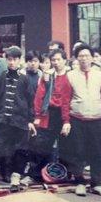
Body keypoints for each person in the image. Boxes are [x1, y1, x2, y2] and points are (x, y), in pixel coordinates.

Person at [0, 46, 36, 190]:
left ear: (19, 61)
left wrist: (30, 121)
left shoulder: (25, 79)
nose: (12, 62)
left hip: (20, 121)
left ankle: (15, 179)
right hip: (2, 120)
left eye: (15, 59)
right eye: (9, 59)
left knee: (20, 150)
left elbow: (30, 102)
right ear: (6, 60)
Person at [63, 44, 101, 197]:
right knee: (77, 151)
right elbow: (65, 100)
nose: (84, 58)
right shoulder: (70, 75)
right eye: (81, 56)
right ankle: (80, 182)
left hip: (96, 119)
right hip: (77, 118)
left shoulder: (99, 74)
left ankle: (97, 183)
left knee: (97, 152)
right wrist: (66, 121)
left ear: (92, 57)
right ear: (77, 58)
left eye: (87, 55)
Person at [27, 49, 72, 182]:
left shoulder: (71, 75)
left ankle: (64, 175)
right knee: (41, 145)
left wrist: (67, 120)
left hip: (66, 113)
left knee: (66, 146)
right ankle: (35, 175)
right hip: (49, 113)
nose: (56, 62)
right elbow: (39, 97)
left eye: (59, 59)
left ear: (65, 60)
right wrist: (37, 116)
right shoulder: (47, 75)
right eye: (53, 60)